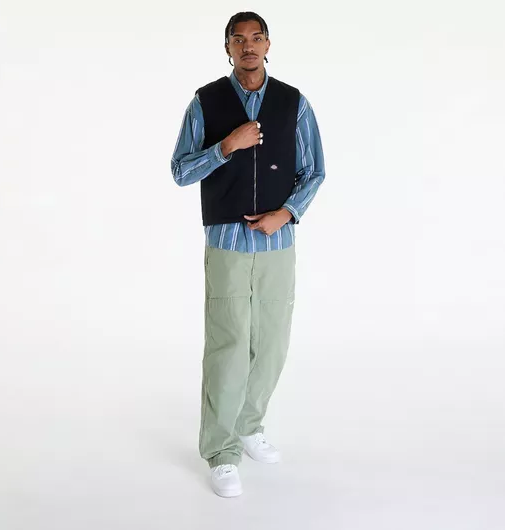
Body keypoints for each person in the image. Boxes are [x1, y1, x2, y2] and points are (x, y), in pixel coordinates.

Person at [171, 11, 325, 498]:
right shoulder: (206, 101)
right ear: (228, 48)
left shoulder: (294, 102)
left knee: (272, 344)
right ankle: (221, 451)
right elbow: (180, 171)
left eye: (256, 38)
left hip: (278, 243)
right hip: (227, 243)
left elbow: (314, 171)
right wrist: (226, 147)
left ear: (268, 44)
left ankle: (248, 424)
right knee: (229, 345)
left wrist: (288, 213)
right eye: (238, 40)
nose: (248, 46)